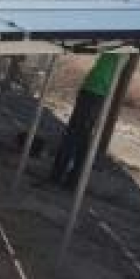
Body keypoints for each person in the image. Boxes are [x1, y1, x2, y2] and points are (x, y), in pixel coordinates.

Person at [49, 52, 120, 188]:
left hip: (95, 92)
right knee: (80, 137)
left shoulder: (123, 45)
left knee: (75, 136)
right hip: (93, 91)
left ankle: (62, 176)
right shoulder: (120, 45)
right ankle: (69, 178)